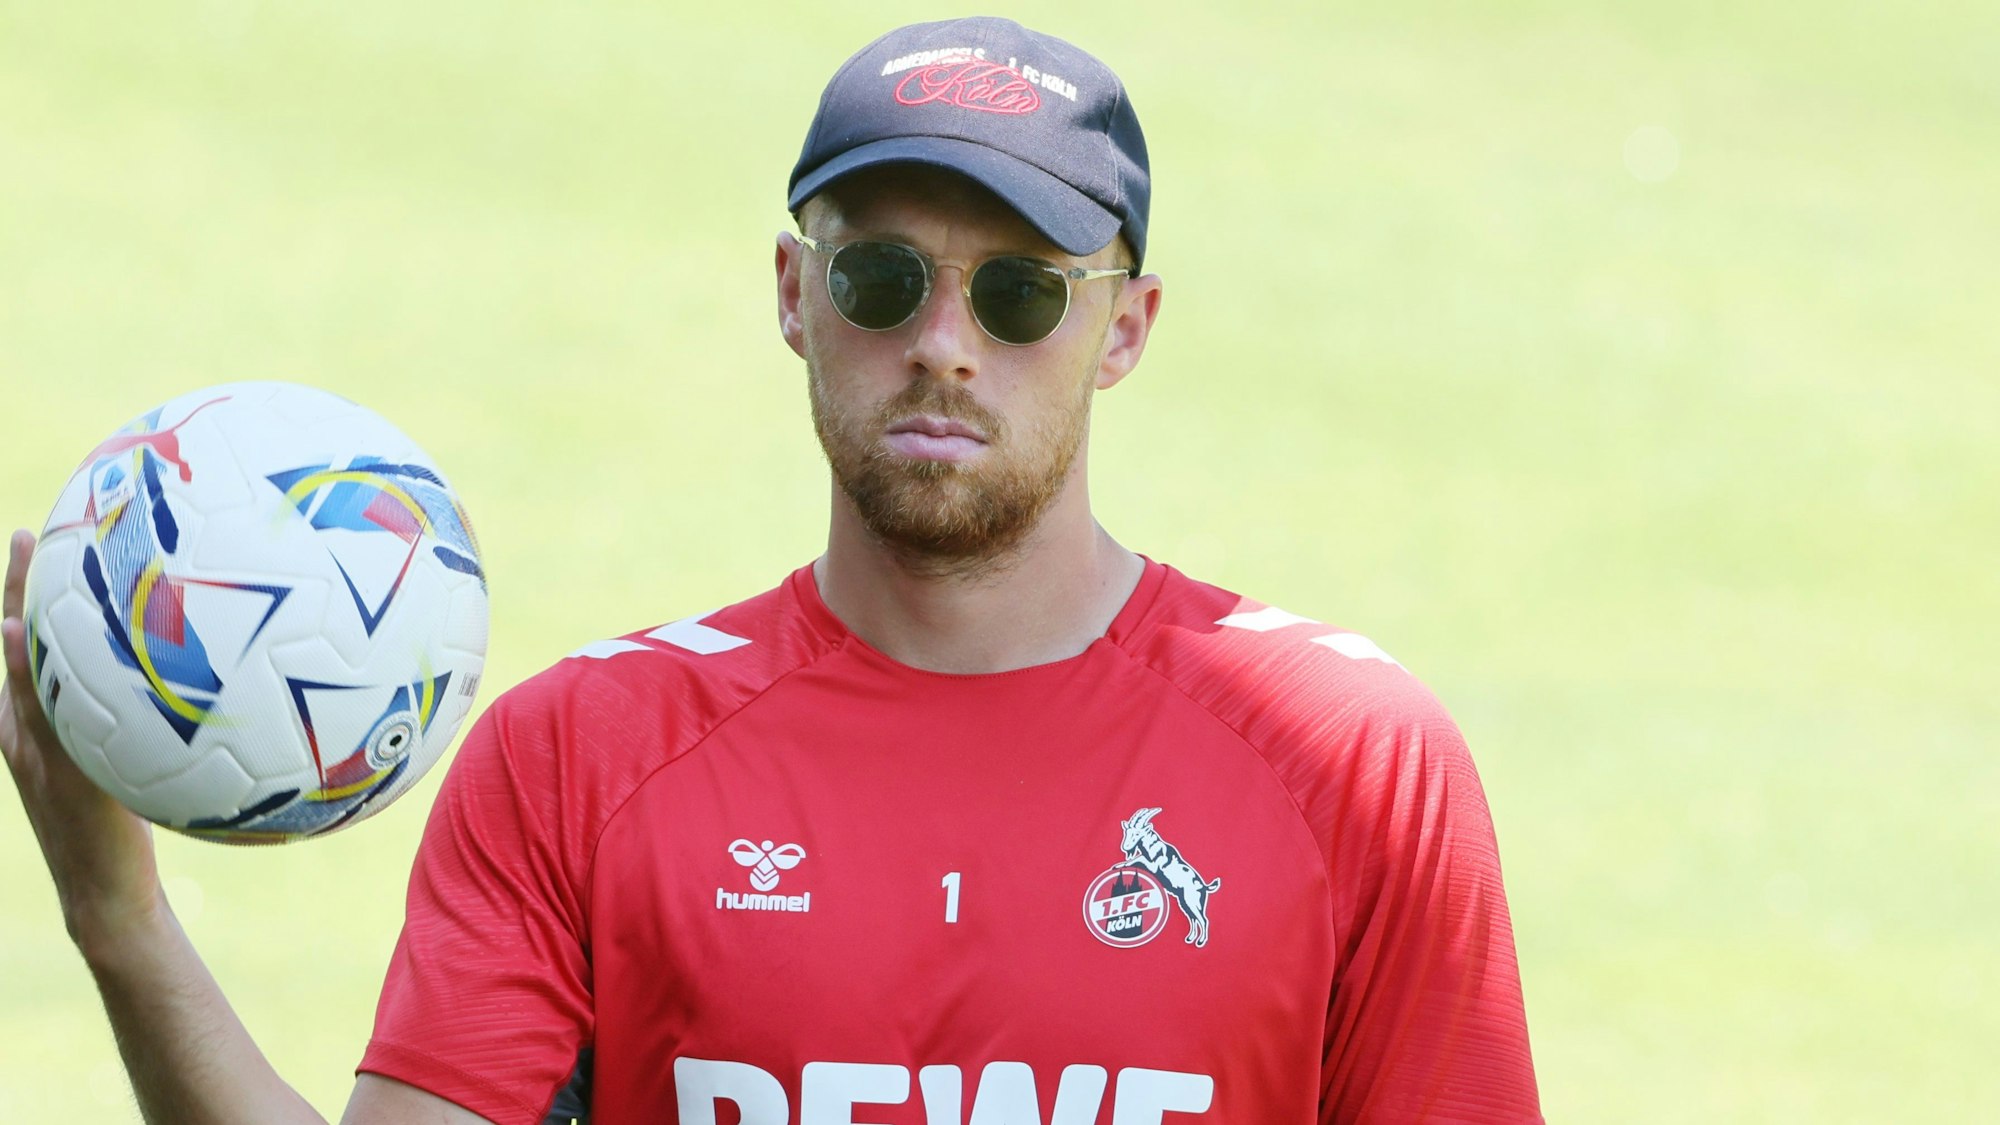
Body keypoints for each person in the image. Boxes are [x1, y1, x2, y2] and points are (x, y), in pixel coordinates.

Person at [0, 16, 1541, 1125]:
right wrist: (121, 926)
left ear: (1123, 328)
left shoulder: (1348, 760)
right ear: (796, 294)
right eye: (882, 276)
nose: (944, 344)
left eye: (1020, 293)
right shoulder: (581, 757)